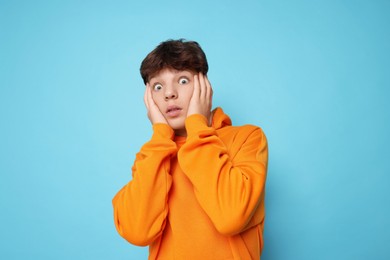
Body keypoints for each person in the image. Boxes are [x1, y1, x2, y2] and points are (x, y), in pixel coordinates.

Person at [112, 39, 268, 260]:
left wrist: (196, 125)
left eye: (183, 80)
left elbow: (231, 217)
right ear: (149, 98)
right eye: (158, 86)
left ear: (204, 86)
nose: (169, 94)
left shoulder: (246, 138)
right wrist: (160, 136)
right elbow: (137, 232)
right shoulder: (153, 154)